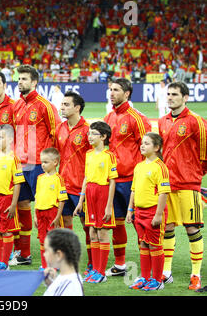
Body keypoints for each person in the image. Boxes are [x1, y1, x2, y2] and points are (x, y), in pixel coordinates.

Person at [11, 64, 61, 266]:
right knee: (22, 207)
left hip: (39, 166)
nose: (20, 82)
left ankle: (53, 258)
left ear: (34, 82)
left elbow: (56, 134)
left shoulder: (45, 105)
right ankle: (24, 254)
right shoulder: (17, 105)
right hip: (20, 165)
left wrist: (53, 165)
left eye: (24, 79)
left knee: (45, 212)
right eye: (19, 78)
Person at [159, 81, 206, 290]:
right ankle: (166, 272)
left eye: (174, 94)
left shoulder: (197, 121)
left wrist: (195, 174)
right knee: (167, 228)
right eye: (168, 94)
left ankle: (196, 274)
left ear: (185, 97)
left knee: (192, 228)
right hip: (167, 185)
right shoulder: (162, 121)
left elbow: (204, 154)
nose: (170, 97)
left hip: (188, 183)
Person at [104, 78, 151, 277]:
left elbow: (150, 149)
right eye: (110, 89)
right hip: (114, 180)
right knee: (117, 223)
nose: (112, 93)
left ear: (127, 93)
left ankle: (148, 268)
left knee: (141, 225)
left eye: (116, 90)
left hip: (133, 180)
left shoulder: (137, 118)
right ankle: (121, 264)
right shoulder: (108, 118)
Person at [74, 121, 118, 284]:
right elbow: (86, 178)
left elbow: (112, 182)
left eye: (93, 134)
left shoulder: (109, 156)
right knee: (92, 232)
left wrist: (108, 205)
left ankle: (101, 272)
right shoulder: (89, 154)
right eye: (89, 134)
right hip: (90, 195)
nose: (89, 137)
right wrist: (81, 200)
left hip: (102, 194)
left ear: (104, 137)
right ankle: (95, 270)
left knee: (102, 232)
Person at [126, 132, 170, 291]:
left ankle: (157, 281)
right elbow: (133, 190)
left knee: (155, 246)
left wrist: (159, 214)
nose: (142, 146)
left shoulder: (160, 167)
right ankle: (144, 278)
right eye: (142, 143)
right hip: (139, 212)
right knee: (143, 245)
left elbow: (163, 193)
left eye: (147, 143)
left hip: (153, 213)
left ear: (157, 148)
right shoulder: (139, 166)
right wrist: (130, 209)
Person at [55, 91, 93, 274]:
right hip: (63, 186)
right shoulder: (60, 129)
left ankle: (92, 264)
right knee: (64, 225)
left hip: (82, 187)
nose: (62, 107)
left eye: (66, 104)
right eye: (62, 104)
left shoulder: (88, 130)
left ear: (77, 108)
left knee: (88, 227)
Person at [0, 124, 25, 271]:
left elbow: (18, 182)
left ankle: (5, 263)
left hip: (6, 199)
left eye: (1, 137)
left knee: (6, 231)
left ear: (10, 140)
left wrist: (14, 204)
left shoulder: (13, 158)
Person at [34, 147, 68, 269]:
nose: (42, 165)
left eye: (46, 162)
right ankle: (45, 265)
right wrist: (35, 215)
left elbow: (62, 199)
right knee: (43, 240)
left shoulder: (59, 179)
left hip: (52, 212)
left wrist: (58, 216)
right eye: (42, 162)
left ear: (55, 162)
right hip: (40, 212)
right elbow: (37, 196)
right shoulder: (40, 178)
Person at [43, 228, 84, 296]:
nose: (44, 254)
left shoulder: (71, 287)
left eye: (46, 250)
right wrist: (51, 284)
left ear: (59, 255)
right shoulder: (66, 279)